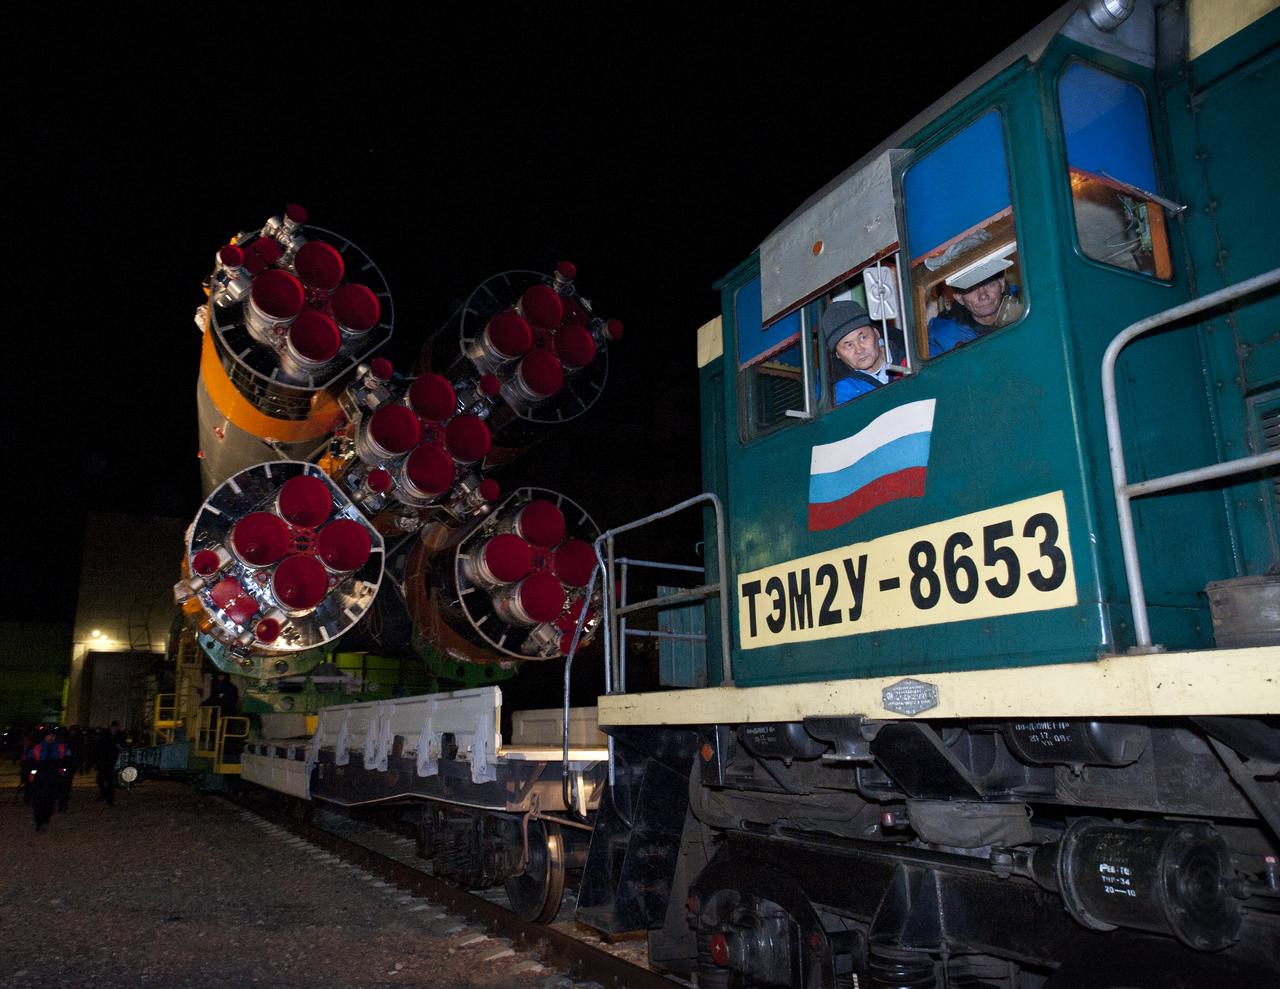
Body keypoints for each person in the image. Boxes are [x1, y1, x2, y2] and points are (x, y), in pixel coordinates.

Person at [927, 264, 1023, 357]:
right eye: (971, 289)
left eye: (989, 284)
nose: (983, 296)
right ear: (959, 298)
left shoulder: (1027, 300)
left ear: (1002, 284)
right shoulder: (944, 337)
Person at [822, 301, 904, 405]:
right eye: (848, 345)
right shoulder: (839, 393)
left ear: (876, 333)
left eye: (863, 338)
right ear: (837, 354)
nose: (859, 350)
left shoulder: (911, 352)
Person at [27, 729, 68, 833]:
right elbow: (30, 764)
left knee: (49, 802)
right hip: (40, 779)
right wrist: (31, 777)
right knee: (38, 802)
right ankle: (39, 822)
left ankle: (45, 820)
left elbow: (66, 763)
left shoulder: (60, 748)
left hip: (53, 779)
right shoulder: (37, 748)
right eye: (48, 735)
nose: (51, 737)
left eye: (52, 735)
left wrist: (63, 775)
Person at [95, 722, 123, 806]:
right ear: (111, 728)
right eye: (113, 728)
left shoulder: (119, 736)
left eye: (116, 728)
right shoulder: (105, 736)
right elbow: (99, 747)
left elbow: (122, 747)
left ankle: (109, 800)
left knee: (110, 782)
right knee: (100, 780)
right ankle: (104, 794)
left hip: (112, 762)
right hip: (103, 761)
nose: (115, 730)